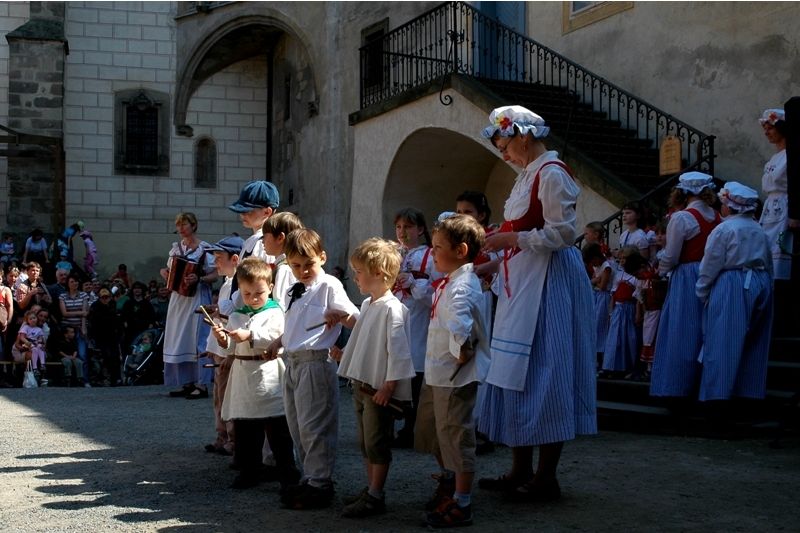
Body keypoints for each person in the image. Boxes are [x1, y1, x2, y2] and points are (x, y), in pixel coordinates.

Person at [477, 105, 597, 502]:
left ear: (524, 136)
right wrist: (498, 256)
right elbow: (526, 230)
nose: (504, 155)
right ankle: (520, 469)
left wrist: (510, 240)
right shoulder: (529, 175)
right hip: (525, 279)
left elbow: (562, 234)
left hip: (549, 282)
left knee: (546, 368)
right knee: (516, 372)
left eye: (505, 146)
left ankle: (546, 477)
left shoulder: (552, 173)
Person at [264, 228, 359, 510]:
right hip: (293, 361)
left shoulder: (329, 284)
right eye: (296, 266)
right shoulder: (294, 289)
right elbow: (296, 325)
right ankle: (310, 476)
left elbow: (355, 319)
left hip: (315, 362)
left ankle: (320, 482)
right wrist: (279, 341)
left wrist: (340, 316)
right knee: (297, 425)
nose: (303, 271)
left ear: (322, 258)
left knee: (315, 424)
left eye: (309, 264)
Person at [409, 215, 488, 528]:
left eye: (439, 247)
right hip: (438, 373)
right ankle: (450, 482)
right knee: (435, 433)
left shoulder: (461, 287)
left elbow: (460, 325)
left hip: (453, 378)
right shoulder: (451, 282)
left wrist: (462, 350)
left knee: (456, 437)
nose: (433, 252)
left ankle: (462, 501)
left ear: (461, 250)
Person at [331, 238, 415, 518]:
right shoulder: (368, 304)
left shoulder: (393, 309)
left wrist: (389, 386)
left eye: (359, 272)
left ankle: (376, 495)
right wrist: (345, 354)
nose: (355, 277)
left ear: (378, 272)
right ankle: (371, 489)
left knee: (377, 442)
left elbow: (398, 352)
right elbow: (363, 339)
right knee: (366, 442)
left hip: (378, 390)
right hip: (362, 386)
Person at [211, 257, 300, 490]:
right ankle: (249, 471)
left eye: (258, 293)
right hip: (243, 376)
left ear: (270, 288)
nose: (253, 299)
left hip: (267, 373)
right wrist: (222, 339)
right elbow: (230, 347)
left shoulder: (276, 313)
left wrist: (250, 336)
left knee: (277, 428)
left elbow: (276, 338)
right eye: (247, 294)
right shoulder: (237, 315)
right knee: (246, 429)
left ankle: (287, 471)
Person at [696, 182, 773, 402]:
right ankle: (748, 392)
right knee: (755, 341)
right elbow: (768, 261)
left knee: (723, 340)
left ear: (729, 206)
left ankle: (717, 395)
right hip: (760, 280)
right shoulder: (759, 229)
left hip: (733, 282)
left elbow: (711, 264)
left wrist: (703, 291)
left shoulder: (724, 229)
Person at [650, 172, 720, 400]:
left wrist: (660, 271)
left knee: (682, 329)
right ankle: (702, 383)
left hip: (688, 275)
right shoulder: (716, 216)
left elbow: (671, 255)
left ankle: (677, 386)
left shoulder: (682, 218)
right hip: (711, 274)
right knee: (704, 329)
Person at [391, 207, 439, 448]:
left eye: (408, 227)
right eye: (399, 227)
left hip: (419, 322)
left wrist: (413, 284)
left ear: (420, 229)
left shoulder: (430, 255)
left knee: (415, 376)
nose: (402, 232)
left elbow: (435, 295)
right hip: (395, 320)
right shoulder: (392, 253)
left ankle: (412, 429)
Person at [160, 213, 218, 399]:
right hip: (178, 299)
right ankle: (186, 382)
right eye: (179, 225)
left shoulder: (204, 248)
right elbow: (169, 270)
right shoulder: (175, 249)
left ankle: (201, 384)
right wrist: (165, 273)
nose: (181, 228)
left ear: (193, 226)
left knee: (197, 338)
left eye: (184, 224)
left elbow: (215, 274)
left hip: (197, 297)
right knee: (179, 337)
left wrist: (199, 278)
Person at [201, 235, 245, 456]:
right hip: (220, 349)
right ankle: (222, 436)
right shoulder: (228, 283)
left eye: (219, 258)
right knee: (219, 396)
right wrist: (211, 347)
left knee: (228, 397)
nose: (215, 262)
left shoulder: (239, 286)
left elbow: (235, 319)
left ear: (235, 259)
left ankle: (233, 441)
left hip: (229, 350)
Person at [228, 180, 280, 294]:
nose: (242, 214)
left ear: (267, 212)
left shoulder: (263, 243)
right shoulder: (253, 241)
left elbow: (258, 286)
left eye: (248, 211)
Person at [601, 247, 644, 378]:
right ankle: (612, 366)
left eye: (625, 258)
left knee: (629, 338)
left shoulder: (636, 276)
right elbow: (613, 294)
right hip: (618, 309)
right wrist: (611, 311)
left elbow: (638, 297)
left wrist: (637, 313)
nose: (622, 261)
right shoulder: (619, 274)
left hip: (629, 309)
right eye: (621, 258)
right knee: (615, 338)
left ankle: (627, 366)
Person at [261, 212, 305, 311]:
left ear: (280, 237)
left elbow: (281, 307)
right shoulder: (283, 266)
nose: (262, 241)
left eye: (264, 236)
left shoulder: (284, 269)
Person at [59, 272, 91, 387]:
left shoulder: (83, 295)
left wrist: (83, 328)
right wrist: (80, 312)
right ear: (68, 283)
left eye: (76, 281)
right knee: (68, 355)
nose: (75, 283)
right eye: (72, 281)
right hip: (67, 330)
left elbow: (85, 313)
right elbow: (64, 313)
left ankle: (85, 380)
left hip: (79, 328)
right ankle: (71, 380)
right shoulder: (63, 296)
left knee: (82, 354)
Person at [583, 242, 613, 367]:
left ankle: (601, 358)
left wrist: (595, 281)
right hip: (596, 297)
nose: (593, 265)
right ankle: (595, 356)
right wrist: (596, 280)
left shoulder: (606, 267)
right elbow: (594, 280)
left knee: (600, 326)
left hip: (604, 298)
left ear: (596, 257)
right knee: (593, 325)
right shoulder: (598, 267)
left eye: (592, 262)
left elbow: (602, 286)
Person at [88, 287, 122, 386]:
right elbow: (92, 323)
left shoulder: (113, 305)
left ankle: (116, 378)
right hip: (100, 336)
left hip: (113, 336)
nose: (105, 299)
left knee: (115, 357)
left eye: (107, 297)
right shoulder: (95, 306)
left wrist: (119, 333)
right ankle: (104, 378)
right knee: (105, 357)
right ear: (99, 297)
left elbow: (117, 321)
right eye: (103, 297)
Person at [121, 281, 156, 349]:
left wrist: (151, 324)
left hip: (144, 331)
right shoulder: (128, 303)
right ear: (132, 290)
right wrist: (125, 323)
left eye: (139, 288)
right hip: (130, 331)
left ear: (142, 290)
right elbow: (123, 316)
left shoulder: (147, 303)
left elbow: (152, 316)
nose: (137, 290)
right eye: (135, 288)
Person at [13, 310, 46, 375]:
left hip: (35, 343)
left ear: (37, 318)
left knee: (40, 349)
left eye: (34, 318)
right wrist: (27, 342)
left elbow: (40, 338)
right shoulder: (26, 327)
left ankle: (42, 365)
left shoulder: (39, 329)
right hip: (27, 343)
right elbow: (22, 337)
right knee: (33, 351)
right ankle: (33, 370)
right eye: (30, 319)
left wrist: (39, 342)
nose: (33, 320)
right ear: (27, 321)